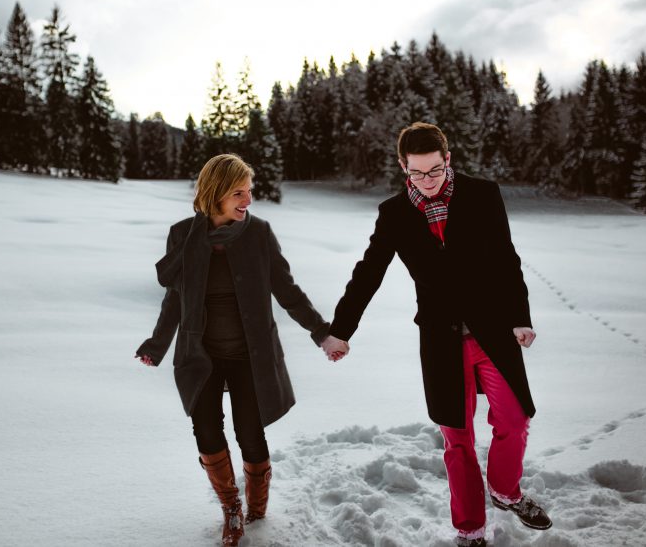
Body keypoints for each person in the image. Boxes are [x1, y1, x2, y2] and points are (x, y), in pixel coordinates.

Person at [324, 123, 551, 547]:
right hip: (441, 341)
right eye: (417, 174)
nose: (427, 183)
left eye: (435, 171)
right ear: (402, 168)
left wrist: (520, 316)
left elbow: (506, 260)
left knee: (515, 419)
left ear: (448, 160)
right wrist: (340, 331)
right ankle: (470, 530)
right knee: (457, 438)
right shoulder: (394, 213)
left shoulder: (482, 194)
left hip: (492, 332)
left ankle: (505, 491)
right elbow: (368, 274)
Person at [136, 153, 344, 546]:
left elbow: (287, 292)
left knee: (250, 433)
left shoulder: (259, 234)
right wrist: (157, 345)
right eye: (238, 192)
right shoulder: (183, 236)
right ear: (215, 193)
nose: (248, 199)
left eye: (249, 191)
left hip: (251, 355)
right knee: (207, 432)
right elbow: (174, 300)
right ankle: (231, 508)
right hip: (201, 355)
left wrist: (322, 333)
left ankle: (257, 505)